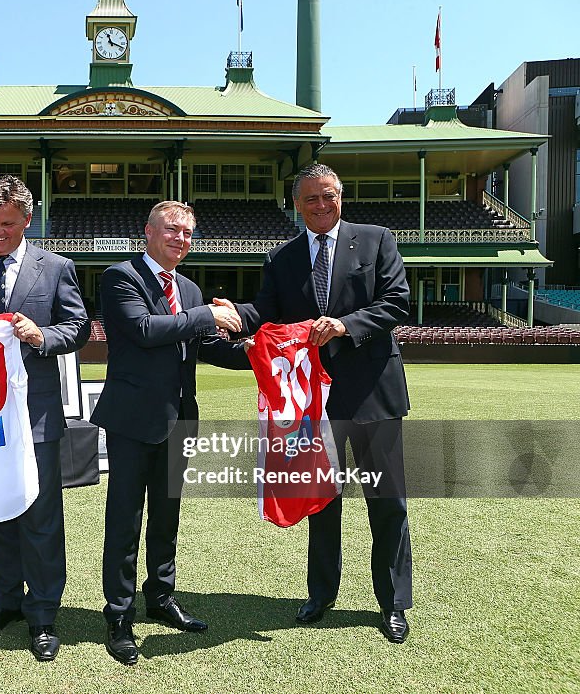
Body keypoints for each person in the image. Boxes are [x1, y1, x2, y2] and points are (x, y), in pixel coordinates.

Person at [236, 163, 413, 644]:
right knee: (321, 502)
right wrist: (234, 314)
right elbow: (265, 311)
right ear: (296, 203)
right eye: (311, 198)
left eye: (329, 195)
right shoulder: (281, 257)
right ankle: (321, 594)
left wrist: (344, 325)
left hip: (374, 392)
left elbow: (397, 301)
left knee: (388, 501)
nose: (321, 205)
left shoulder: (376, 239)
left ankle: (393, 604)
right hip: (312, 403)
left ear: (342, 196)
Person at [91, 201, 246, 666]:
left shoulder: (190, 287)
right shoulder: (121, 276)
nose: (181, 239)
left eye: (188, 233)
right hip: (132, 421)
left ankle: (160, 597)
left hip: (179, 418)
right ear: (149, 232)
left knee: (166, 518)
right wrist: (206, 318)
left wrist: (265, 352)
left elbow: (208, 346)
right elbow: (143, 329)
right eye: (173, 230)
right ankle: (118, 615)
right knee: (124, 520)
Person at [0, 175, 90, 662]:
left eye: (8, 224)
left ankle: (44, 613)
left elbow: (78, 327)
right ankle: (6, 599)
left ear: (29, 220)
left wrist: (39, 334)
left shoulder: (57, 268)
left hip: (37, 414)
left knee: (40, 513)